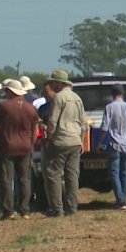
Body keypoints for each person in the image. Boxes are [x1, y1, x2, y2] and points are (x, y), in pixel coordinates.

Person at [0, 80, 39, 219]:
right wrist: (30, 143)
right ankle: (24, 209)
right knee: (24, 179)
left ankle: (8, 211)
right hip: (25, 147)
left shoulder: (4, 106)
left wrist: (1, 138)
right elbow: (35, 129)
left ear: (10, 92)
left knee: (6, 179)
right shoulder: (30, 108)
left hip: (7, 147)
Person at [43, 69, 86, 217]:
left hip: (60, 140)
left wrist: (49, 137)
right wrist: (82, 142)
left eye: (53, 82)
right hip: (75, 140)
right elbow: (84, 123)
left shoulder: (58, 98)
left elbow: (53, 121)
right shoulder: (77, 98)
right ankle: (72, 208)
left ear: (58, 83)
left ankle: (57, 209)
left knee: (53, 174)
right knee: (72, 175)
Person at [98, 83, 126, 209]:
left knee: (114, 172)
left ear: (112, 94)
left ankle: (120, 199)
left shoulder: (110, 107)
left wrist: (100, 142)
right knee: (125, 173)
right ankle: (123, 198)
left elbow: (104, 127)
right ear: (122, 93)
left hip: (114, 143)